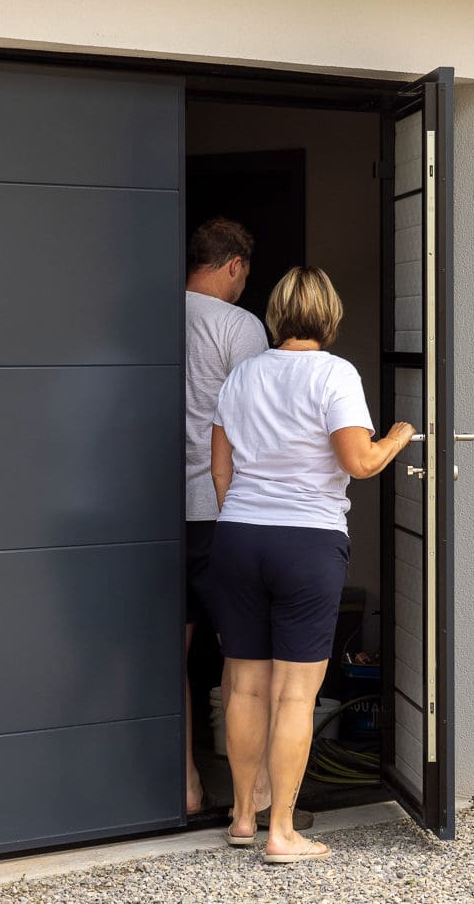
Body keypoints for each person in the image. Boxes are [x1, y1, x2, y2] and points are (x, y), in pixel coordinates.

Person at [207, 266, 414, 862]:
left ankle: (244, 817)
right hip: (307, 541)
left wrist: (244, 515)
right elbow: (359, 462)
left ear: (275, 314)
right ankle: (282, 833)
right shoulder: (335, 373)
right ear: (329, 315)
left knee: (243, 685)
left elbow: (220, 467)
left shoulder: (243, 374)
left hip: (239, 534)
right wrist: (398, 436)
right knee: (296, 695)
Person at [183, 217, 266, 814]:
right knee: (241, 653)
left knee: (169, 654)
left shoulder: (147, 314)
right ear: (234, 265)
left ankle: (185, 787)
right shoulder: (238, 326)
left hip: (154, 515)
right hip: (219, 508)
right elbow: (256, 422)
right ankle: (250, 800)